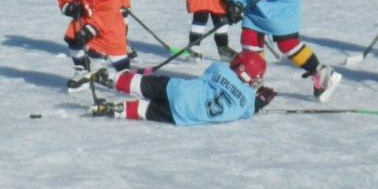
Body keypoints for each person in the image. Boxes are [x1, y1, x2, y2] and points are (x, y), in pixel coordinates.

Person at [87, 51, 275, 122]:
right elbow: (248, 111)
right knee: (147, 110)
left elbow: (210, 74)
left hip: (178, 91)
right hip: (182, 116)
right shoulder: (248, 100)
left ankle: (113, 79)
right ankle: (118, 109)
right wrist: (258, 102)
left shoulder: (220, 69)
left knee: (149, 84)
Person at [56, 0, 130, 92]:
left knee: (119, 60)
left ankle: (128, 80)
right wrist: (69, 7)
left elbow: (106, 14)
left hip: (110, 27)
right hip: (85, 20)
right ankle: (83, 71)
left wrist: (90, 30)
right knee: (73, 36)